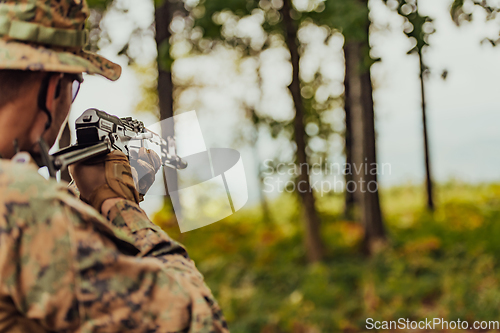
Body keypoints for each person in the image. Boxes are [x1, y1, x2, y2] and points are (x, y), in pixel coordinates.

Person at [0, 0, 229, 332]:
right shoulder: (25, 206)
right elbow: (199, 323)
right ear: (54, 88)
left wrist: (79, 206)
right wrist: (117, 203)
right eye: (74, 84)